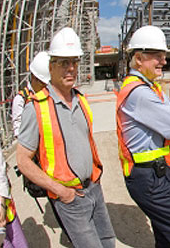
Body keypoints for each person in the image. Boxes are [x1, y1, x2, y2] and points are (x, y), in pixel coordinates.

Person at [16, 27, 116, 247]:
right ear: (51, 67)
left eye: (74, 62)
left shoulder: (81, 101)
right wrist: (60, 191)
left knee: (108, 241)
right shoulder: (36, 108)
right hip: (69, 198)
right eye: (63, 63)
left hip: (94, 189)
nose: (70, 68)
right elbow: (22, 161)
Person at [116, 25, 170, 247]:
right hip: (149, 178)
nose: (163, 61)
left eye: (164, 56)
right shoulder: (140, 93)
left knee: (165, 233)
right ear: (139, 58)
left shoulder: (150, 87)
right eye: (158, 56)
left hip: (157, 173)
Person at [0, 131, 28, 248]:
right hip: (3, 202)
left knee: (19, 243)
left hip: (4, 206)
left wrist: (2, 202)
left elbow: (0, 168)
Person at [11, 51, 51, 138]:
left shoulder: (49, 94)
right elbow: (18, 130)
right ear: (33, 78)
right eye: (42, 83)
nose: (44, 87)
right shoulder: (21, 99)